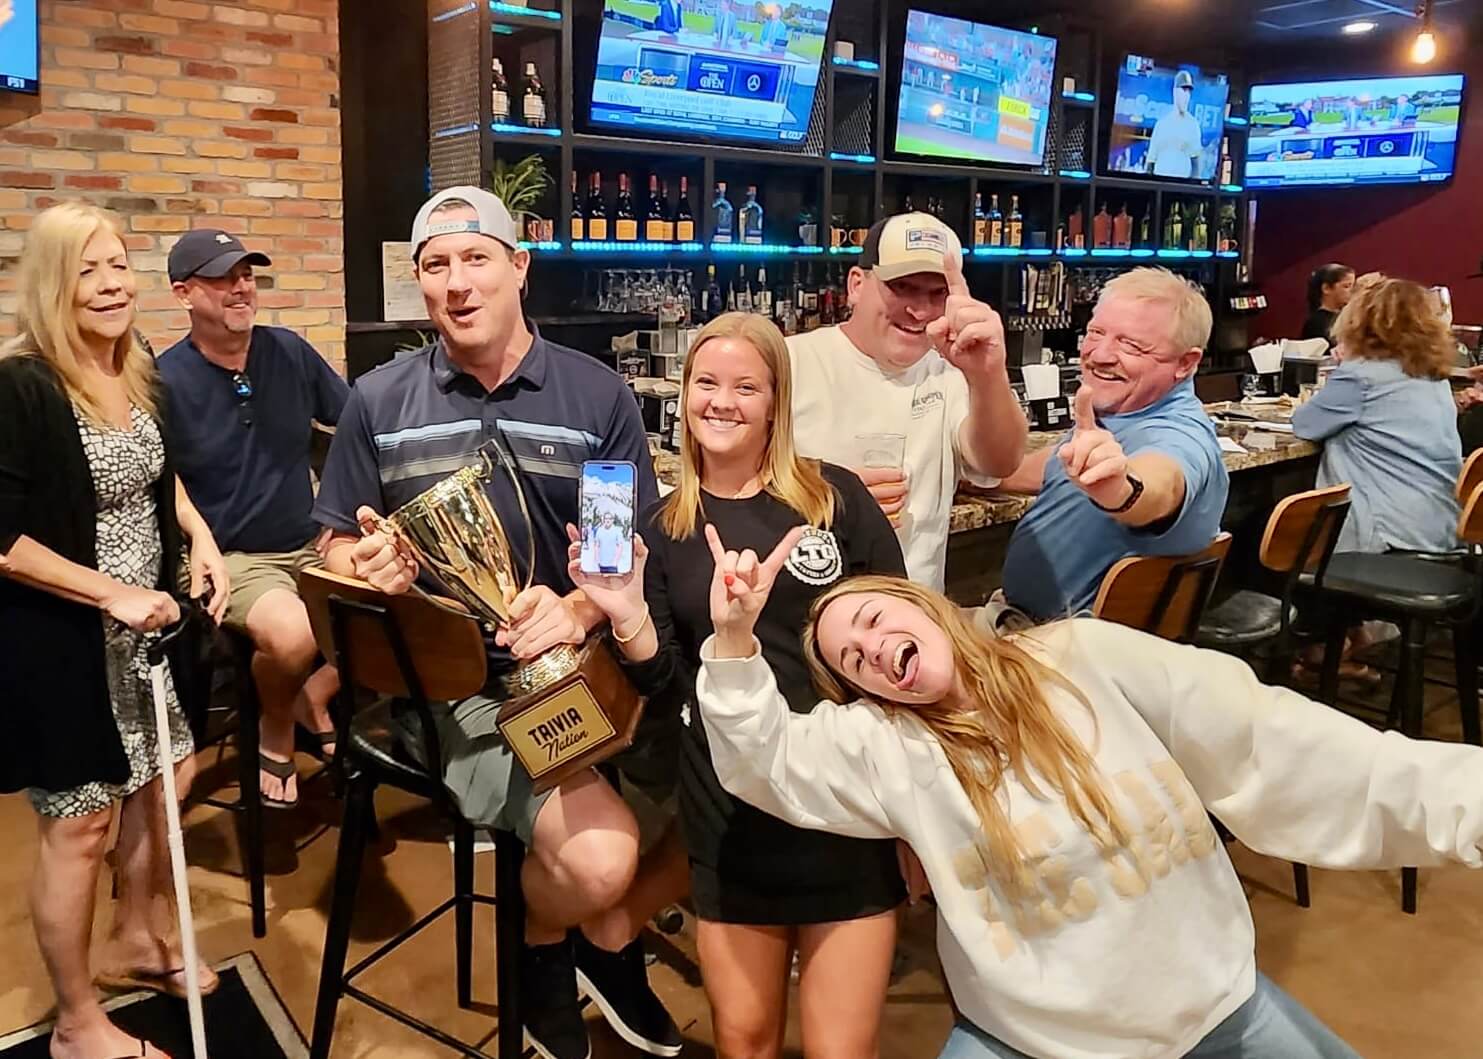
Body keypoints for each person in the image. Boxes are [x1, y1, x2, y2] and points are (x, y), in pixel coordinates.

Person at [693, 567, 1483, 1059]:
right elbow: (766, 762)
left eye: (871, 621)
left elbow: (1282, 743)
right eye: (850, 663)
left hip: (1209, 1004)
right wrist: (733, 641)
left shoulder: (1084, 659)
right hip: (1036, 1040)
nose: (867, 650)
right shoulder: (885, 745)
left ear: (927, 610)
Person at [312, 186, 681, 1059]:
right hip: (454, 688)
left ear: (519, 266)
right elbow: (331, 546)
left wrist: (577, 605)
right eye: (435, 266)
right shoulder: (379, 401)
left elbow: (615, 548)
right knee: (597, 858)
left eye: (475, 257)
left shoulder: (594, 398)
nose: (457, 282)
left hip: (586, 663)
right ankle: (547, 943)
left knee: (719, 775)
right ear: (418, 284)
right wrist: (362, 569)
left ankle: (608, 938)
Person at [568, 312, 908, 1059]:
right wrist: (625, 611)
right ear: (683, 395)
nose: (721, 402)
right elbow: (668, 687)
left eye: (744, 387)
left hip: (841, 808)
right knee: (744, 1042)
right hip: (729, 814)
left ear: (774, 404)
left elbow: (899, 624)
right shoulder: (661, 526)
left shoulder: (833, 499)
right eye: (705, 383)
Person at [0, 202, 232, 1059]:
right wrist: (111, 594)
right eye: (87, 270)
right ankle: (76, 1021)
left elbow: (158, 482)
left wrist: (200, 539)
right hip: (61, 646)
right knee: (80, 826)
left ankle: (139, 936)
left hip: (147, 637)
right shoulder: (23, 385)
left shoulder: (134, 371)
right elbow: (4, 538)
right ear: (54, 285)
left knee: (167, 778)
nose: (109, 285)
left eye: (117, 265)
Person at [157, 229, 349, 809]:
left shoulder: (288, 350)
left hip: (307, 541)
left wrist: (346, 514)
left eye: (248, 275)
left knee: (410, 591)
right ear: (183, 293)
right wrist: (199, 543)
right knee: (294, 634)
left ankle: (313, 694)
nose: (241, 288)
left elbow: (357, 424)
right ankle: (275, 723)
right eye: (222, 278)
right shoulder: (164, 380)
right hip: (236, 556)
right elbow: (160, 479)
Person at [787, 213, 1027, 591]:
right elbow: (723, 480)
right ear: (857, 285)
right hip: (805, 606)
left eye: (937, 294)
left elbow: (999, 462)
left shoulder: (950, 372)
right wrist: (825, 491)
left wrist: (988, 375)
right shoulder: (790, 363)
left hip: (912, 609)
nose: (920, 311)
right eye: (903, 287)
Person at [996, 267, 1228, 624]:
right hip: (1027, 623)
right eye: (1095, 333)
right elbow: (1052, 466)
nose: (1099, 354)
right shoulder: (1116, 416)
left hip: (1064, 652)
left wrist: (1119, 489)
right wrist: (970, 474)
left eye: (1131, 345)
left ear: (1186, 363)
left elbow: (1159, 485)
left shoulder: (1179, 433)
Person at [1291, 278, 1463, 683]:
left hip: (1389, 534)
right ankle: (1348, 637)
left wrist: (1346, 364)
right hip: (1438, 526)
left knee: (1284, 533)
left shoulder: (1362, 376)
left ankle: (1318, 646)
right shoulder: (1432, 376)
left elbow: (1305, 423)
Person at [1144, 69, 1204, 179]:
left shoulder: (1192, 125)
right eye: (1184, 90)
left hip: (1181, 188)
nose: (1187, 95)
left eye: (1189, 92)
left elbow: (1196, 165)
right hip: (1158, 185)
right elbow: (1150, 162)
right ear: (1175, 92)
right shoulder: (1161, 124)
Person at [1300, 263, 1355, 346]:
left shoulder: (1348, 317)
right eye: (1346, 286)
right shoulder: (1316, 324)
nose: (1352, 291)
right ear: (1326, 288)